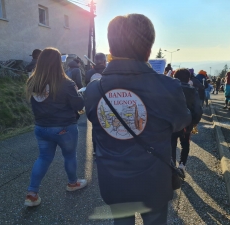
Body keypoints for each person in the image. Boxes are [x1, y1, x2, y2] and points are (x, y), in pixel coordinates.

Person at [84, 14, 191, 225]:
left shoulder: (94, 90)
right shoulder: (168, 87)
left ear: (111, 49)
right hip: (154, 180)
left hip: (113, 181)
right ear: (148, 49)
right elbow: (181, 122)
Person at [24, 48, 87, 207]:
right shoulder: (66, 83)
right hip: (64, 127)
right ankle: (72, 183)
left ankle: (32, 193)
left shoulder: (32, 81)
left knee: (43, 158)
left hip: (41, 127)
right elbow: (78, 105)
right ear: (58, 63)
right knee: (69, 155)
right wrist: (80, 95)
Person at [171, 69, 202, 174]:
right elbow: (198, 110)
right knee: (185, 145)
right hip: (186, 124)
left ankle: (171, 167)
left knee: (171, 145)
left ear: (175, 77)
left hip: (171, 124)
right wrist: (194, 122)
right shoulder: (193, 90)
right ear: (189, 78)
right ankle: (182, 166)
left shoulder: (170, 89)